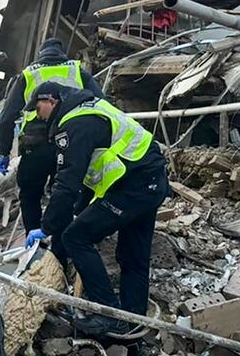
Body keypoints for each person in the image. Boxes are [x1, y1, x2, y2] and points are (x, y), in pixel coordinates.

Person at [24, 81, 170, 336]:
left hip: (134, 186)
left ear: (51, 101)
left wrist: (46, 227)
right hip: (149, 181)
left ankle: (108, 314)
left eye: (38, 108)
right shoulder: (91, 109)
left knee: (75, 237)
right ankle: (132, 321)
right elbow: (93, 173)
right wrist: (79, 210)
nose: (39, 115)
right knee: (133, 255)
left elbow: (67, 183)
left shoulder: (74, 124)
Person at [0, 37, 104, 233]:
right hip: (70, 140)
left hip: (35, 145)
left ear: (40, 54)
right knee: (64, 192)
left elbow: (7, 117)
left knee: (30, 194)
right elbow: (101, 103)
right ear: (62, 53)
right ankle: (60, 240)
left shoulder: (28, 74)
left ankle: (34, 239)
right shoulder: (77, 70)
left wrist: (3, 151)